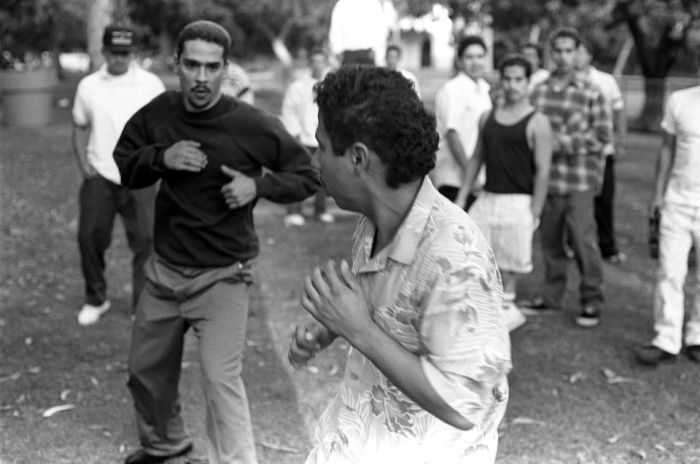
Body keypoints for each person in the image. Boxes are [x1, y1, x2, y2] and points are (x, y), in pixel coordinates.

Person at [113, 20, 320, 464]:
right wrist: (160, 158)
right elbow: (124, 161)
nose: (201, 78)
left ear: (226, 69)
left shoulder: (250, 125)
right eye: (192, 65)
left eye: (212, 67)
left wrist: (257, 188)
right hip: (165, 272)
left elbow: (307, 175)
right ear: (178, 65)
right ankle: (167, 445)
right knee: (144, 373)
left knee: (220, 380)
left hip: (223, 276)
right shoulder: (160, 112)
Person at [289, 66, 511, 464]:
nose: (315, 162)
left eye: (321, 148)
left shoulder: (456, 261)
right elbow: (382, 313)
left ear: (358, 158)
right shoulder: (376, 219)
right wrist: (330, 328)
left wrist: (357, 329)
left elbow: (465, 404)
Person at [72, 24, 165, 326]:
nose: (120, 59)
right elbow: (79, 123)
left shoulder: (150, 84)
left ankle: (142, 303)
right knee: (89, 237)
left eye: (125, 53)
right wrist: (83, 166)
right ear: (104, 51)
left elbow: (164, 126)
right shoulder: (88, 86)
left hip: (140, 175)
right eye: (114, 53)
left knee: (146, 241)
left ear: (133, 53)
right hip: (100, 172)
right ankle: (96, 298)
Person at [524, 27, 612, 328]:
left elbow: (602, 136)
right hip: (546, 182)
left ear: (577, 53)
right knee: (550, 243)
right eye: (557, 50)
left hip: (579, 182)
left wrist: (561, 142)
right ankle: (551, 297)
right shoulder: (537, 91)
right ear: (551, 53)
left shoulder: (591, 92)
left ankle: (591, 300)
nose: (563, 56)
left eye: (568, 50)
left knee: (584, 243)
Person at [460, 54, 553, 332]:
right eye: (508, 78)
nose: (512, 85)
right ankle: (480, 315)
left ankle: (503, 318)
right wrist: (463, 197)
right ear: (500, 80)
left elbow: (543, 170)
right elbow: (476, 158)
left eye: (519, 79)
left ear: (528, 83)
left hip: (519, 202)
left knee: (510, 265)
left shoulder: (538, 122)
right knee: (475, 258)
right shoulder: (487, 117)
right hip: (488, 198)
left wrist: (535, 211)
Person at [634, 84, 700, 366]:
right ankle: (666, 339)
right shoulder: (679, 100)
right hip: (677, 201)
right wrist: (658, 194)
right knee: (669, 272)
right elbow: (666, 148)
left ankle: (697, 337)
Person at [575, 40, 628, 264]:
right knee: (576, 202)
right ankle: (573, 245)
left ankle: (608, 246)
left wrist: (621, 141)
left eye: (578, 52)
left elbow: (619, 111)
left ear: (589, 55)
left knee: (604, 200)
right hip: (576, 153)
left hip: (602, 152)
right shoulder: (566, 83)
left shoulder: (605, 81)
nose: (574, 57)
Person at [431, 35, 492, 210]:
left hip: (477, 180)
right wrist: (470, 175)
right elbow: (452, 134)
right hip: (455, 180)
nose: (475, 62)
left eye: (480, 56)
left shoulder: (485, 89)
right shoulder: (452, 90)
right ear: (459, 60)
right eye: (469, 57)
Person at [282, 47, 334, 226]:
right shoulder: (298, 86)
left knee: (322, 175)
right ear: (310, 63)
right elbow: (289, 111)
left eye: (321, 61)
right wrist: (294, 134)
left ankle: (321, 210)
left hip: (321, 139)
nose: (317, 65)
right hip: (302, 138)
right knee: (299, 174)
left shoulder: (331, 86)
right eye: (314, 61)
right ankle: (294, 211)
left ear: (325, 63)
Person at [328, 0, 388, 65]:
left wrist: (377, 51)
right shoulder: (342, 3)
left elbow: (380, 28)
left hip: (368, 54)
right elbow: (336, 28)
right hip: (348, 55)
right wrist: (337, 50)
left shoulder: (374, 3)